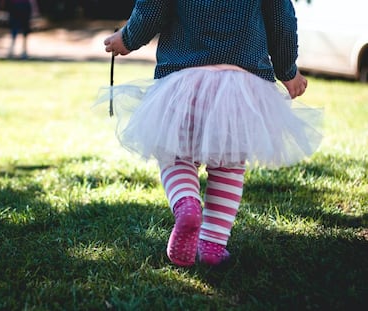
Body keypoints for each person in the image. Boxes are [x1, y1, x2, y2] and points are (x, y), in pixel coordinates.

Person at [100, 0, 322, 267]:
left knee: (175, 156)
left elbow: (152, 9)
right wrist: (288, 70)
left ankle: (187, 204)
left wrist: (127, 38)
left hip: (184, 79)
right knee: (228, 166)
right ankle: (212, 245)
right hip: (242, 85)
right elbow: (281, 20)